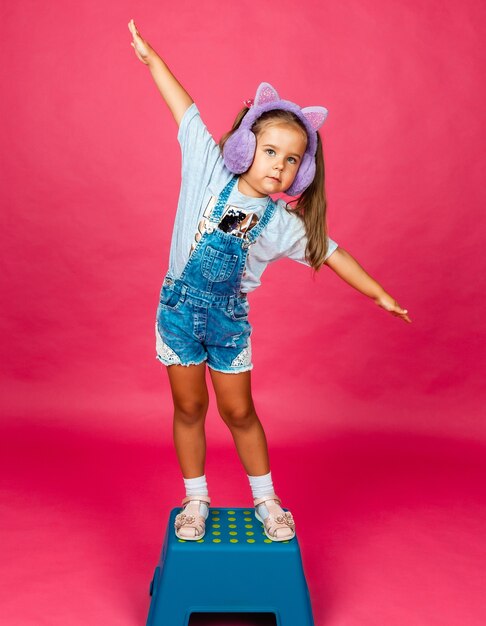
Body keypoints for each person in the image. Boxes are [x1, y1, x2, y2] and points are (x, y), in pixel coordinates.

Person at [128, 19, 412, 543]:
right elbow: (184, 108)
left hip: (227, 321)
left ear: (301, 173)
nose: (279, 167)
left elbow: (332, 253)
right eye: (270, 151)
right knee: (189, 408)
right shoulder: (207, 168)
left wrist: (380, 294)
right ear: (243, 148)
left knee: (239, 411)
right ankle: (195, 497)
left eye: (292, 160)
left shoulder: (282, 224)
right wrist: (151, 59)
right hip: (177, 313)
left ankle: (266, 500)